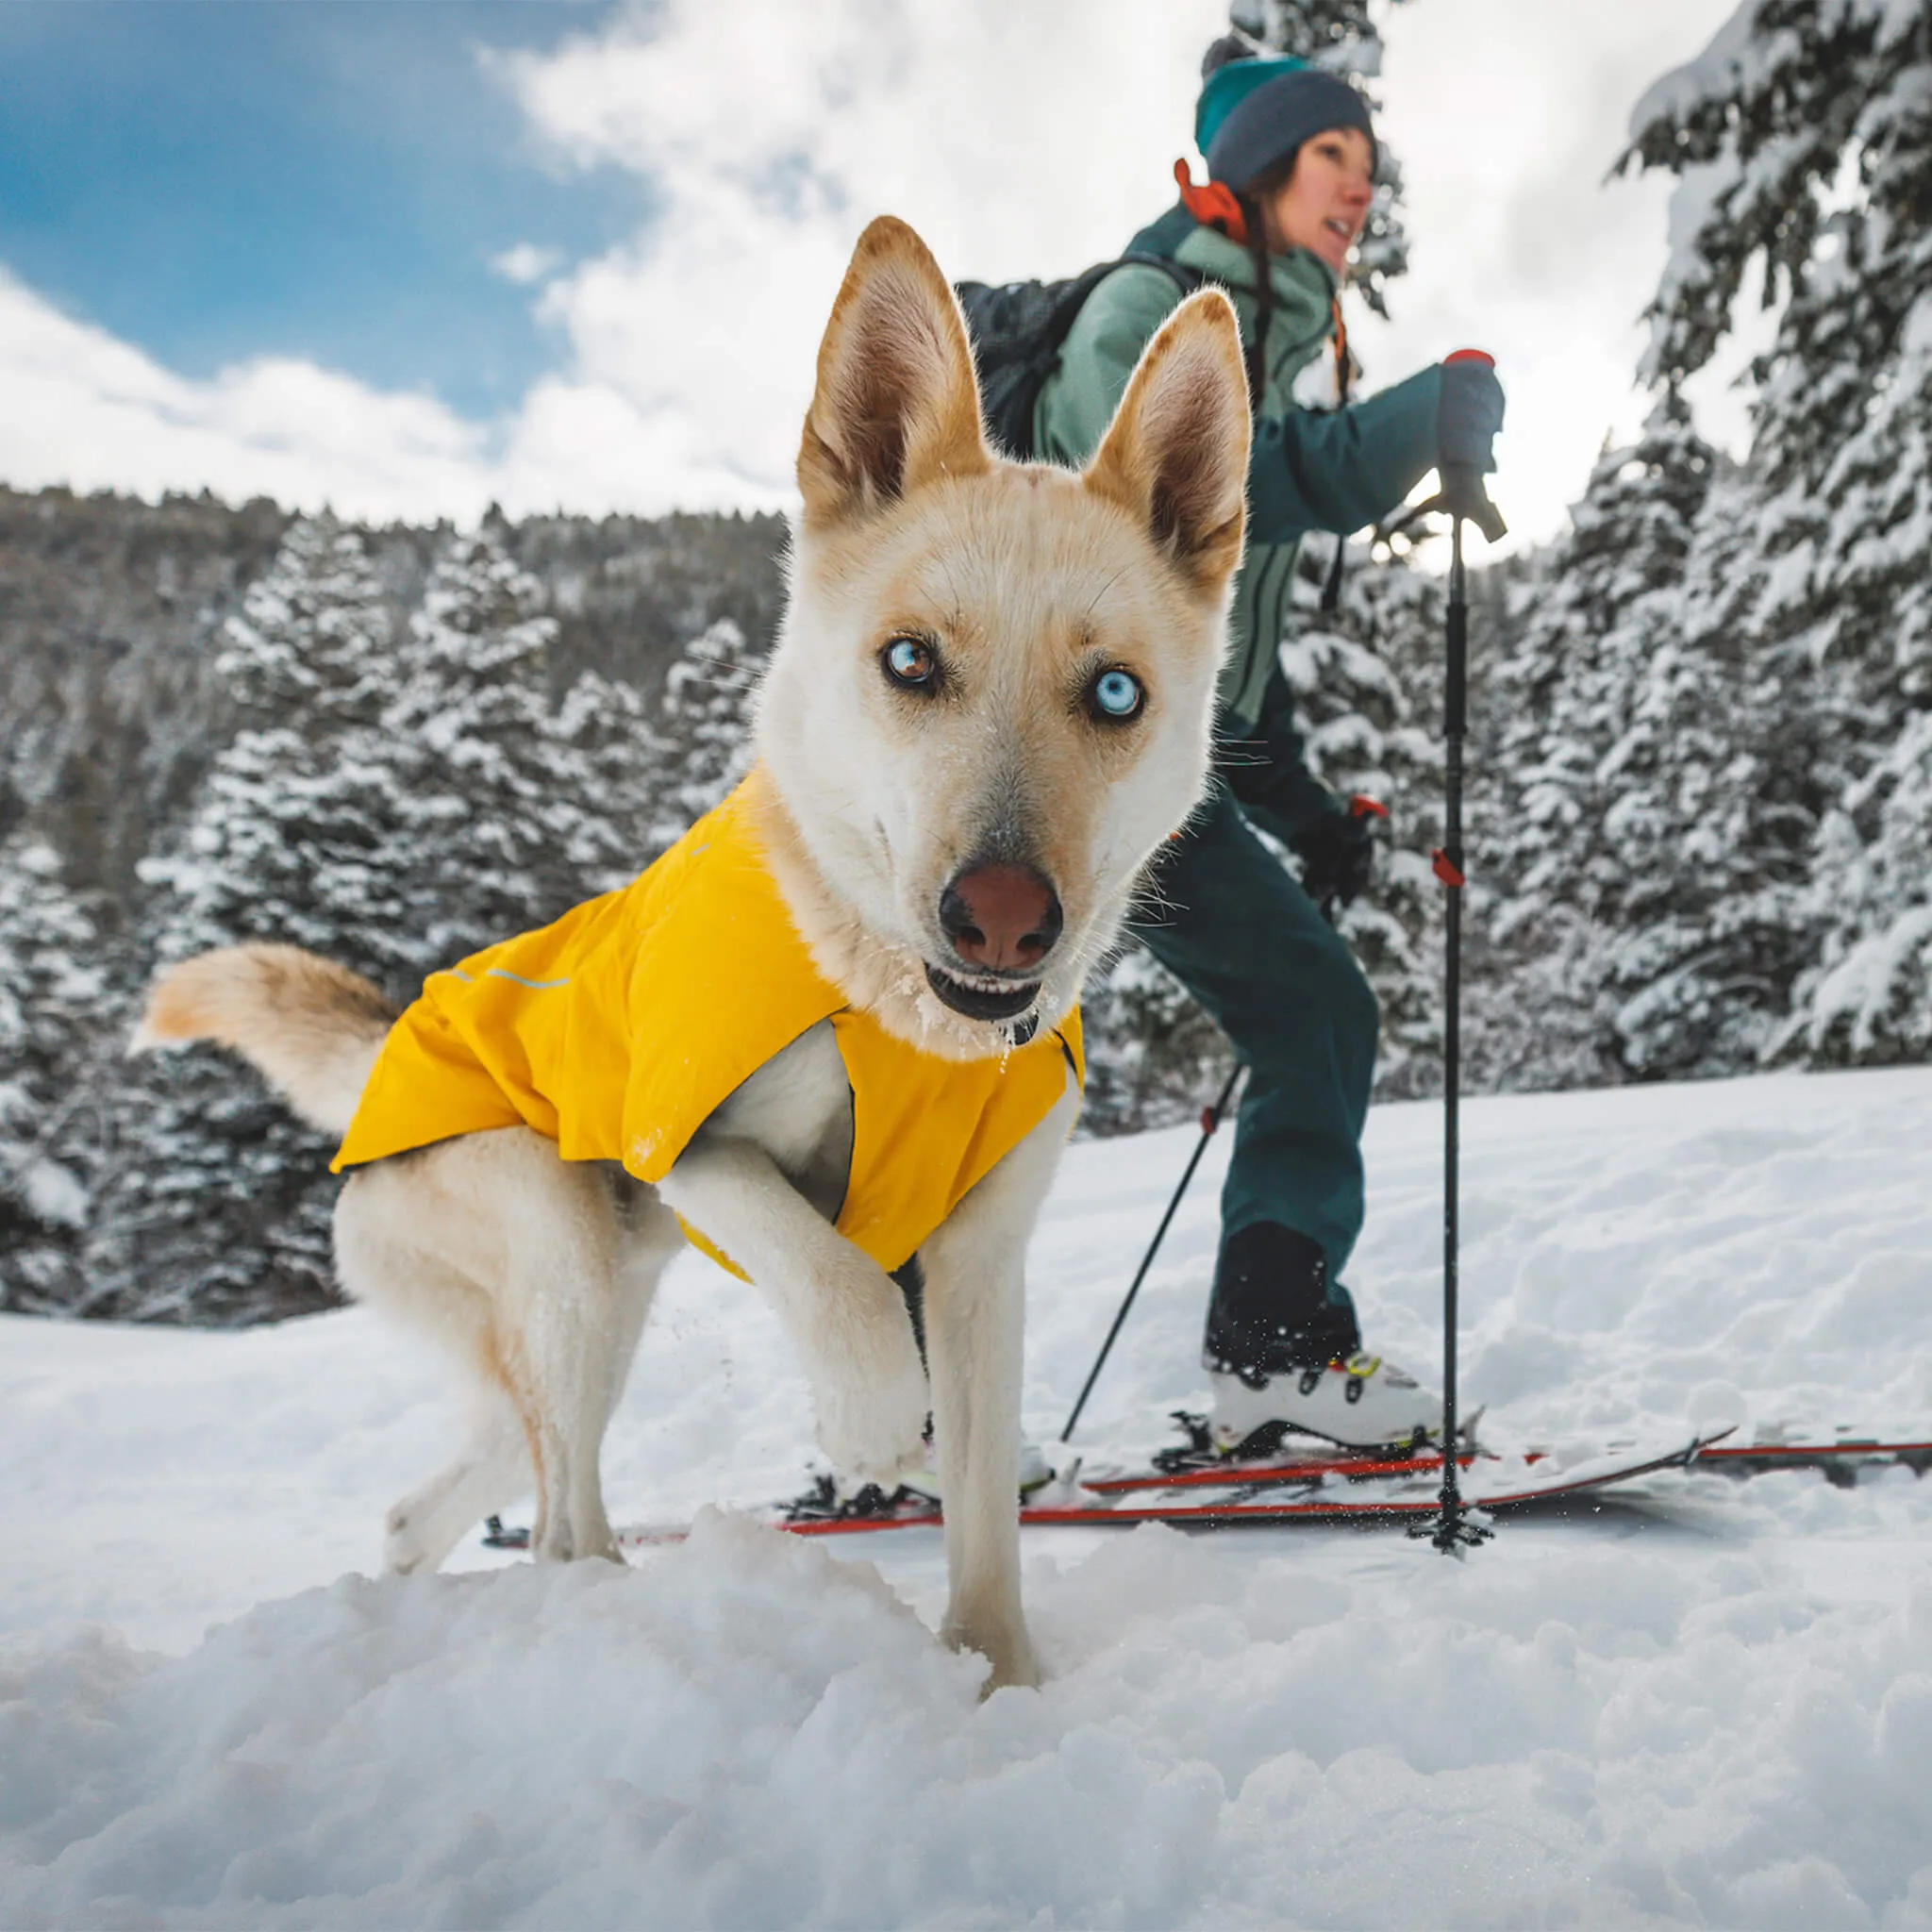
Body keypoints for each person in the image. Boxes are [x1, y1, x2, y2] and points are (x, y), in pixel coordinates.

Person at [1033, 38, 1506, 1454]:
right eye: (1331, 156)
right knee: (969, 1067)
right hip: (1043, 771)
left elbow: (1208, 665)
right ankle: (896, 1409)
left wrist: (1307, 815)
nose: (1361, 187)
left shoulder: (1264, 345)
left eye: (1368, 164)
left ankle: (1275, 1352)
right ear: (1256, 168)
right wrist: (1402, 433)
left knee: (1315, 1014)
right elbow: (1163, 521)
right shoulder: (1145, 310)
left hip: (1151, 774)